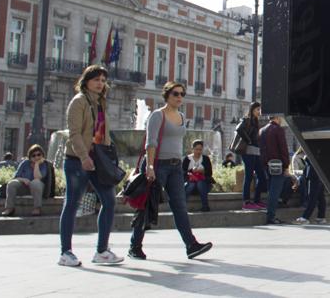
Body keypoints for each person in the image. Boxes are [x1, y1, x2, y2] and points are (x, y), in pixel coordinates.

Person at [130, 82, 214, 260]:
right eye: (175, 93)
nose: (179, 97)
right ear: (167, 95)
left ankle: (191, 245)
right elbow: (150, 142)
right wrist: (150, 166)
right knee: (147, 205)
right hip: (158, 164)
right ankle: (134, 246)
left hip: (176, 166)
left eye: (182, 94)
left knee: (180, 206)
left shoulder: (181, 116)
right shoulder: (157, 115)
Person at [58, 65, 124, 267]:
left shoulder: (100, 103)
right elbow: (74, 133)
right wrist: (84, 157)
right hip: (78, 160)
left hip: (98, 161)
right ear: (86, 81)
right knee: (72, 203)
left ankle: (102, 251)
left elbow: (102, 133)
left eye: (103, 80)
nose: (100, 83)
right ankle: (66, 253)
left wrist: (108, 156)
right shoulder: (78, 102)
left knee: (109, 201)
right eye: (96, 79)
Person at [2, 145, 55, 217]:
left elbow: (38, 177)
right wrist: (23, 179)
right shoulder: (25, 163)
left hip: (39, 189)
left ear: (42, 155)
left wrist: (36, 164)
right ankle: (9, 208)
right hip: (25, 187)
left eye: (39, 155)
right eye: (33, 155)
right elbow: (16, 177)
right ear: (30, 157)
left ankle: (37, 208)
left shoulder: (44, 164)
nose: (36, 157)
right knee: (12, 184)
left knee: (35, 182)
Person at [259, 113, 291, 224]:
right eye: (281, 118)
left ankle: (270, 215)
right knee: (275, 192)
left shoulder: (262, 130)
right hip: (278, 165)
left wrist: (264, 163)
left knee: (270, 190)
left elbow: (261, 149)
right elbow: (283, 149)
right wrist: (286, 165)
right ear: (277, 118)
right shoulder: (278, 130)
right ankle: (271, 217)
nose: (281, 120)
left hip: (266, 164)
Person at [235, 102, 266, 211]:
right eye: (257, 109)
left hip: (256, 151)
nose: (259, 111)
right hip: (248, 151)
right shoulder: (247, 119)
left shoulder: (256, 121)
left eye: (260, 109)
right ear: (252, 110)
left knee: (261, 176)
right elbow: (238, 129)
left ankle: (257, 200)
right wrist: (248, 140)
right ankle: (246, 202)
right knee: (248, 176)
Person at [294, 156, 328, 225]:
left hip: (314, 174)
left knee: (312, 196)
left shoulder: (314, 150)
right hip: (319, 174)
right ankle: (321, 217)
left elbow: (311, 161)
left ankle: (305, 217)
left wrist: (306, 158)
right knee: (320, 196)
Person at [183, 139, 214, 212]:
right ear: (192, 149)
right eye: (196, 149)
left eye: (200, 149)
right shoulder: (187, 159)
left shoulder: (205, 159)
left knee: (200, 183)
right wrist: (191, 171)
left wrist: (203, 171)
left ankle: (205, 206)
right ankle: (182, 207)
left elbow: (210, 173)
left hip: (203, 185)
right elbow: (182, 173)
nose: (198, 151)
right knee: (192, 185)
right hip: (190, 184)